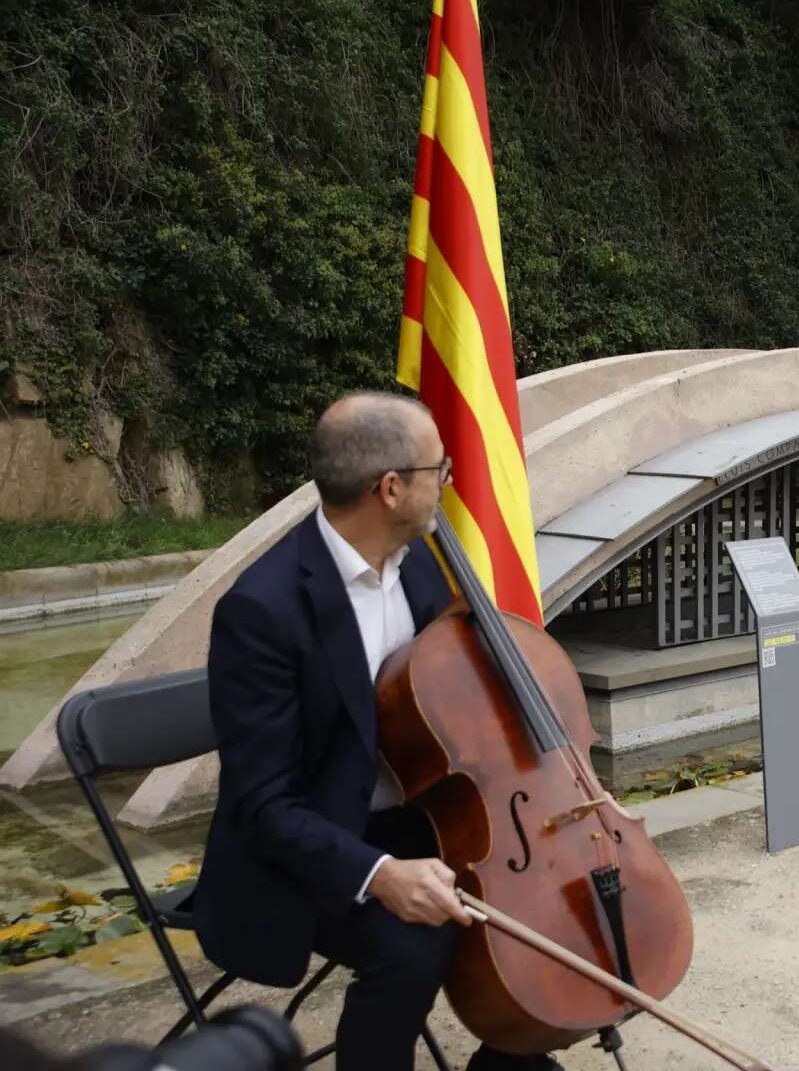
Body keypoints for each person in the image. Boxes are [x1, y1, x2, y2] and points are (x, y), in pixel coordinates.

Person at [195, 393, 557, 1071]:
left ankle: (510, 1063)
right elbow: (263, 806)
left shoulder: (416, 563)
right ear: (390, 489)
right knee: (412, 947)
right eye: (438, 470)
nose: (448, 482)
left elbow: (473, 704)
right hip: (310, 843)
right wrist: (379, 874)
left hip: (406, 816)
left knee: (532, 906)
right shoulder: (263, 610)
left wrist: (566, 794)